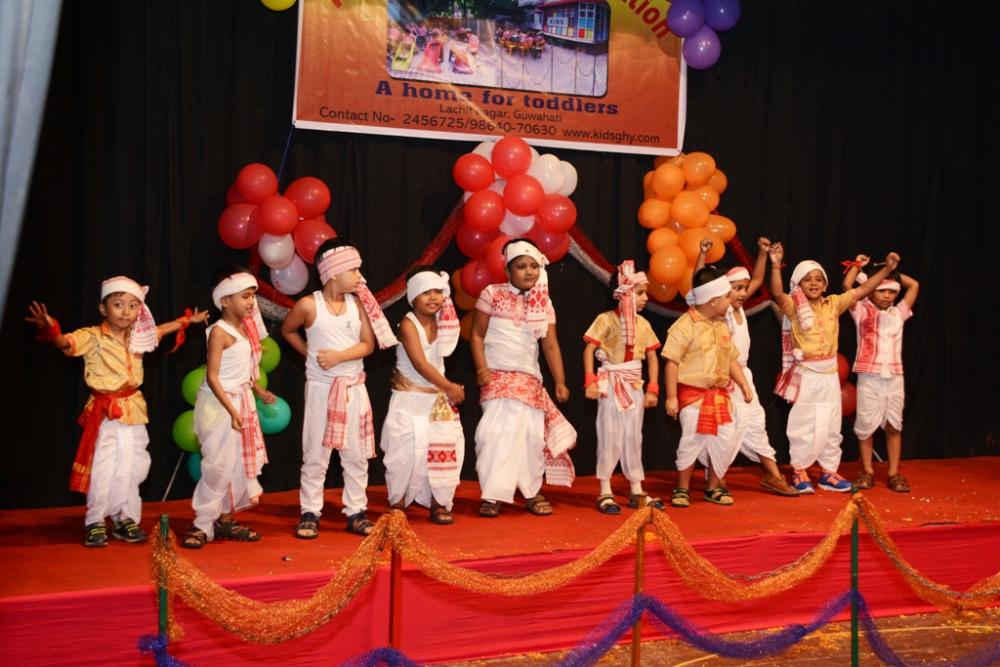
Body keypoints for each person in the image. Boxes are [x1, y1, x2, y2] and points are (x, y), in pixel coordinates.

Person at [26, 277, 206, 547]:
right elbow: (65, 344)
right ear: (103, 308)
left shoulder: (139, 336)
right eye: (118, 304)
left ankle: (125, 518)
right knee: (104, 466)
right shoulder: (93, 336)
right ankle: (96, 521)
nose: (126, 311)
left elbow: (160, 330)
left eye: (133, 306)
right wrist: (52, 329)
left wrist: (187, 321)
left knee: (133, 466)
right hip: (106, 413)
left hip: (134, 409)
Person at [281, 239, 397, 538]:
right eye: (354, 270)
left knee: (356, 455)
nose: (361, 276)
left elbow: (368, 345)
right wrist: (310, 355)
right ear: (333, 272)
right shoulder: (309, 305)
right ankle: (310, 511)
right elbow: (287, 329)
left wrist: (339, 357)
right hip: (321, 390)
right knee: (316, 454)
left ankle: (356, 511)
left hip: (353, 389)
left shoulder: (357, 305)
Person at [768, 244, 900, 493]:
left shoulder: (834, 304)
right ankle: (799, 471)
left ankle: (828, 472)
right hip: (807, 375)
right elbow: (776, 293)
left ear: (826, 284)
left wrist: (887, 270)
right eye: (808, 279)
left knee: (831, 423)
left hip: (829, 375)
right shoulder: (794, 306)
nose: (814, 283)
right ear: (798, 284)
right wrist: (775, 265)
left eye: (819, 279)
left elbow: (863, 289)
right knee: (803, 423)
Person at [470, 238, 576, 518]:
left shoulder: (545, 303)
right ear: (508, 270)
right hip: (496, 377)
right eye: (521, 266)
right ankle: (492, 494)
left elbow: (550, 346)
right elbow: (477, 334)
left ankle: (532, 491)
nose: (529, 271)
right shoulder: (492, 293)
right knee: (492, 435)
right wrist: (481, 368)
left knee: (531, 438)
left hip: (529, 380)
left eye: (534, 266)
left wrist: (560, 381)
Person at [693, 238, 798, 496]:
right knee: (723, 428)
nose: (742, 293)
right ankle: (716, 477)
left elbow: (758, 279)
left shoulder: (739, 308)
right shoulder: (722, 312)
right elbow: (700, 286)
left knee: (755, 422)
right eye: (736, 289)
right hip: (723, 377)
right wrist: (702, 255)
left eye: (744, 288)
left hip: (743, 375)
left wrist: (761, 253)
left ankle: (773, 475)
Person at [181, 269, 275, 548]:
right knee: (218, 466)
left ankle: (223, 520)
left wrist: (259, 391)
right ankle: (201, 524)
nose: (251, 302)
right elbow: (213, 377)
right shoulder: (219, 332)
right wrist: (233, 412)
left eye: (252, 296)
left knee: (236, 464)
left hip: (240, 402)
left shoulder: (246, 330)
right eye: (245, 296)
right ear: (224, 300)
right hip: (219, 406)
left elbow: (244, 371)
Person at [663, 267, 753, 508]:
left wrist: (744, 384)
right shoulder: (685, 325)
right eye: (726, 296)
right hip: (693, 396)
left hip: (720, 395)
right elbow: (671, 361)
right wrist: (671, 396)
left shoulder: (722, 326)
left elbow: (731, 359)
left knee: (725, 440)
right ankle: (682, 488)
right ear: (713, 300)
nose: (730, 300)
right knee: (692, 440)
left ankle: (713, 487)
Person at [381, 267, 465, 524]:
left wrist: (445, 389)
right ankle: (398, 502)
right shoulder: (408, 324)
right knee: (403, 453)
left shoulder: (444, 322)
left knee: (443, 449)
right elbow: (420, 364)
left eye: (438, 291)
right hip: (409, 399)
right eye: (426, 292)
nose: (433, 297)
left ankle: (439, 503)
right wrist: (449, 386)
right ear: (413, 297)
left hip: (436, 400)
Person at [582, 260, 662, 514]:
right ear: (624, 295)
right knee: (610, 434)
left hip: (634, 385)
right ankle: (605, 489)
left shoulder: (643, 324)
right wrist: (590, 381)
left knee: (633, 436)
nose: (645, 298)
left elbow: (652, 356)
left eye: (645, 293)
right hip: (612, 384)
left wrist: (653, 388)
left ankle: (636, 488)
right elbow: (589, 349)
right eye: (640, 293)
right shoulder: (606, 320)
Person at [842, 255, 919, 492]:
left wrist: (892, 271)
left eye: (892, 291)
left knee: (894, 425)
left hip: (894, 377)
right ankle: (867, 470)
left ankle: (894, 473)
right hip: (869, 377)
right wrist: (859, 267)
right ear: (872, 290)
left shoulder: (899, 312)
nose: (887, 296)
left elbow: (914, 285)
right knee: (866, 426)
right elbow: (847, 286)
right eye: (881, 290)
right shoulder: (861, 310)